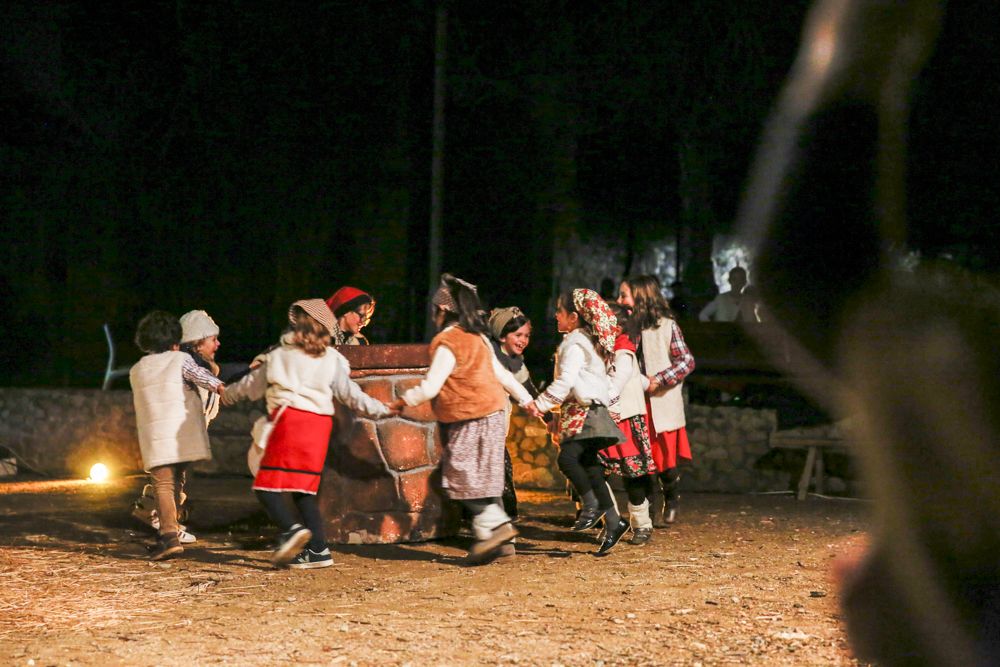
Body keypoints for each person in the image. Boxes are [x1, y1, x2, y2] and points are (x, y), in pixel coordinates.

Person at [222, 299, 393, 569]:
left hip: (289, 421)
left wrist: (226, 396)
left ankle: (291, 530)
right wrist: (381, 409)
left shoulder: (280, 356)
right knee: (304, 490)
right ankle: (318, 551)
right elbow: (351, 395)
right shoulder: (332, 359)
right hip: (318, 427)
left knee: (265, 486)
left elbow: (249, 387)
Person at [390, 275, 533, 565]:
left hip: (470, 416)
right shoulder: (478, 337)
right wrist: (527, 400)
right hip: (493, 413)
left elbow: (431, 386)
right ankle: (501, 546)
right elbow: (503, 375)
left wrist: (405, 400)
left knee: (460, 477)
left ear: (442, 311)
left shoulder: (448, 342)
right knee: (486, 480)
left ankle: (498, 528)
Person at [525, 289, 629, 556]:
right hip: (590, 411)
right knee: (591, 467)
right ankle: (614, 522)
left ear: (573, 317)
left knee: (568, 460)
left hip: (586, 413)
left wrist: (541, 403)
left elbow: (566, 381)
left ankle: (591, 504)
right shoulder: (585, 340)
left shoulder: (574, 342)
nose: (555, 316)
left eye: (560, 312)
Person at [129, 310, 225, 560]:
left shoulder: (138, 369)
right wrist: (223, 387)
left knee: (163, 484)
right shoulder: (182, 360)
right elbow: (200, 377)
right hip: (182, 436)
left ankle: (168, 535)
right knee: (175, 482)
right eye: (212, 338)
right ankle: (167, 529)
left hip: (157, 437)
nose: (217, 344)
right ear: (175, 341)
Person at [618, 275, 696, 526]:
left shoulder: (665, 326)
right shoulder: (623, 328)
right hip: (634, 402)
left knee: (664, 461)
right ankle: (647, 511)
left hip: (659, 402)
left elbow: (686, 361)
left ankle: (672, 497)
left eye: (624, 295)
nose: (620, 301)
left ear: (641, 297)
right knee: (641, 460)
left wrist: (659, 379)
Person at [599, 302, 659, 545]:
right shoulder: (608, 348)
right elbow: (635, 377)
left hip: (624, 419)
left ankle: (642, 524)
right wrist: (647, 382)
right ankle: (613, 522)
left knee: (632, 476)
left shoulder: (622, 349)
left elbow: (621, 378)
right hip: (610, 417)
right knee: (598, 473)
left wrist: (605, 400)